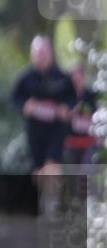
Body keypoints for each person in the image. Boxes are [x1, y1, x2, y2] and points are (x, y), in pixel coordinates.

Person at [10, 36, 76, 206]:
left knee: (52, 163)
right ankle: (43, 197)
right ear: (32, 55)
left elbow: (73, 99)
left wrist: (66, 109)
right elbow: (14, 99)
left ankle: (52, 201)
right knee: (39, 169)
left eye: (44, 52)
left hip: (56, 130)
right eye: (37, 52)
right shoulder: (25, 78)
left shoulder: (62, 77)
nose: (41, 55)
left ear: (51, 53)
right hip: (35, 131)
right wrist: (25, 105)